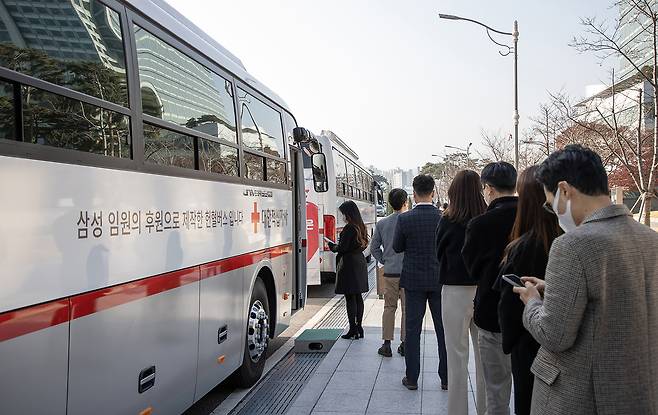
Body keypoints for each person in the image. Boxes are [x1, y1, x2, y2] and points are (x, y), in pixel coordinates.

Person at [513, 145, 658, 415]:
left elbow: (554, 334)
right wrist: (553, 289)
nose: (554, 211)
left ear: (565, 190)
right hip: (637, 391)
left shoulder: (572, 245)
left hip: (581, 396)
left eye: (550, 202)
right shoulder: (650, 239)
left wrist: (532, 302)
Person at [493, 166, 560, 415]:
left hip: (530, 345)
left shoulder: (525, 245)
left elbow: (508, 306)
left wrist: (510, 341)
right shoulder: (564, 239)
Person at [462, 161, 517, 415]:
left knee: (496, 392)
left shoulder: (480, 225)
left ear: (488, 189)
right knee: (529, 390)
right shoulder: (534, 220)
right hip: (530, 315)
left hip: (491, 313)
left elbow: (472, 269)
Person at [436, 170, 487, 415]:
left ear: (453, 191)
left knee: (456, 359)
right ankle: (486, 410)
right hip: (484, 291)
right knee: (484, 358)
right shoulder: (487, 218)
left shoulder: (447, 220)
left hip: (454, 292)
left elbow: (439, 256)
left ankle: (458, 411)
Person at [393, 174, 448, 391]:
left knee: (413, 330)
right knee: (443, 330)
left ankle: (412, 378)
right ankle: (445, 378)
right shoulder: (444, 217)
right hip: (438, 280)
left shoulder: (404, 219)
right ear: (433, 193)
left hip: (413, 280)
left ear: (413, 194)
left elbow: (397, 247)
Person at [370, 188, 408, 357]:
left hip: (390, 272)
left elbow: (374, 247)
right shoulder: (409, 220)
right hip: (408, 272)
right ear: (405, 202)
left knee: (389, 307)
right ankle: (405, 343)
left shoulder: (382, 223)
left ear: (389, 203)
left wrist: (384, 260)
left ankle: (386, 344)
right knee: (407, 309)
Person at [328, 200, 370, 340]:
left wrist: (332, 246)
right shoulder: (361, 226)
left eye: (344, 213)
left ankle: (352, 329)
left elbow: (342, 248)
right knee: (358, 296)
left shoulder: (349, 228)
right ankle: (359, 327)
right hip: (359, 261)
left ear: (348, 214)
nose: (343, 216)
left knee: (350, 297)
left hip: (349, 264)